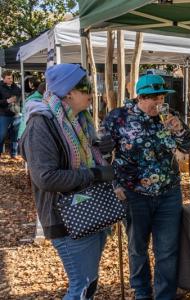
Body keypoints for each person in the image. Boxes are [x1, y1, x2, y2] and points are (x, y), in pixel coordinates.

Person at [19, 64, 115, 300]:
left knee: (88, 284)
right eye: (85, 87)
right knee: (81, 287)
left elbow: (82, 157)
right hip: (66, 218)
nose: (92, 92)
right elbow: (46, 177)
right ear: (68, 92)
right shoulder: (41, 123)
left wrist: (100, 149)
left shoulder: (78, 121)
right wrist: (94, 174)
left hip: (90, 210)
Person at [103, 74, 190, 300]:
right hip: (134, 193)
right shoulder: (118, 118)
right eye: (155, 98)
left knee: (167, 250)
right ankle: (142, 293)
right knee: (138, 248)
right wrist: (113, 184)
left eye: (162, 97)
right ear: (141, 97)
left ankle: (165, 294)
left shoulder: (170, 117)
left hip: (168, 193)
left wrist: (179, 130)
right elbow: (102, 154)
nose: (159, 103)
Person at [0, 70, 22, 159]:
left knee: (15, 135)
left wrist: (17, 100)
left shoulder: (17, 87)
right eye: (8, 78)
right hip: (4, 114)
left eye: (11, 78)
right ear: (3, 78)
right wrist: (7, 101)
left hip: (16, 114)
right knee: (1, 134)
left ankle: (14, 154)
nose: (11, 79)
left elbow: (21, 97)